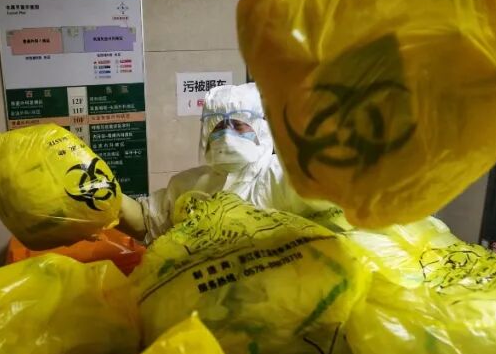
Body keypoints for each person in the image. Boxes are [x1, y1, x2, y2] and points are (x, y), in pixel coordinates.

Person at [118, 82, 347, 243]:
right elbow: (148, 221)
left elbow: (335, 195)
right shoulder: (189, 184)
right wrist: (111, 198)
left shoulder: (281, 177)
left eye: (238, 126)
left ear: (261, 128)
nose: (227, 136)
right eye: (218, 128)